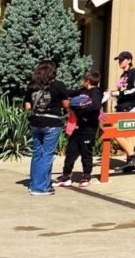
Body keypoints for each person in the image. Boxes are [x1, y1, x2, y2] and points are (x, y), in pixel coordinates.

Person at [23, 60, 70, 196]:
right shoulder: (58, 85)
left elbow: (28, 107)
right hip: (52, 123)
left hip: (36, 123)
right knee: (47, 155)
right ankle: (41, 187)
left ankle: (34, 184)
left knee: (37, 153)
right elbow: (66, 104)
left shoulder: (32, 85)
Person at [56, 70, 103, 188]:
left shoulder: (96, 92)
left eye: (84, 80)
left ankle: (86, 175)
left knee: (86, 153)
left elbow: (95, 107)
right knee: (71, 151)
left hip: (89, 128)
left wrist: (78, 109)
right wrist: (58, 91)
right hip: (78, 127)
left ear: (88, 81)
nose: (83, 82)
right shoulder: (82, 91)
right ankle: (66, 176)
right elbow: (70, 92)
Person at [109, 51, 135, 170]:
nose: (119, 62)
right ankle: (131, 163)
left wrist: (118, 93)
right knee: (126, 133)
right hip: (122, 107)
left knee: (114, 131)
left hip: (131, 107)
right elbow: (119, 90)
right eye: (118, 60)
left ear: (129, 60)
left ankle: (132, 156)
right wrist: (111, 93)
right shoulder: (123, 75)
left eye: (122, 59)